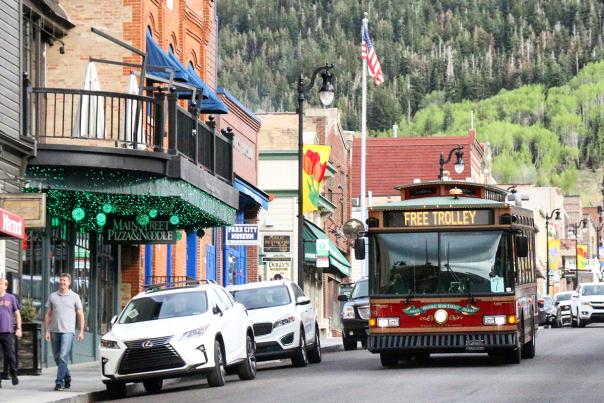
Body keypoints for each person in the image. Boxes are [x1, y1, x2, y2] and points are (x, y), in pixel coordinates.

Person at [44, 273, 84, 391]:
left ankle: (59, 382)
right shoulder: (52, 296)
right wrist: (47, 330)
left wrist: (81, 331)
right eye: (61, 280)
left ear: (69, 282)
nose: (62, 282)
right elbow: (47, 314)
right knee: (57, 357)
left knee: (62, 356)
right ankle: (67, 377)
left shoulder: (75, 296)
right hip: (54, 330)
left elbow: (80, 314)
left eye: (64, 280)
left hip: (68, 331)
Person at [0, 277, 21, 388]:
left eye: (1, 284)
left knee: (10, 356)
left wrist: (19, 328)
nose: (0, 286)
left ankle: (13, 374)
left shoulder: (11, 298)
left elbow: (17, 314)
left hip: (7, 332)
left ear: (5, 286)